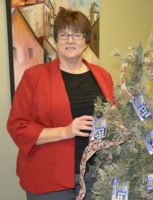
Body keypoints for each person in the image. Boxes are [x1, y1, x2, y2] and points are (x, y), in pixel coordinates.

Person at [7, 8, 114, 200]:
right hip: (49, 180)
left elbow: (112, 118)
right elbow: (18, 127)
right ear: (56, 40)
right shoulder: (34, 77)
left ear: (86, 41)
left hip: (96, 176)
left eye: (76, 34)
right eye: (63, 34)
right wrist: (66, 131)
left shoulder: (103, 76)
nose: (70, 40)